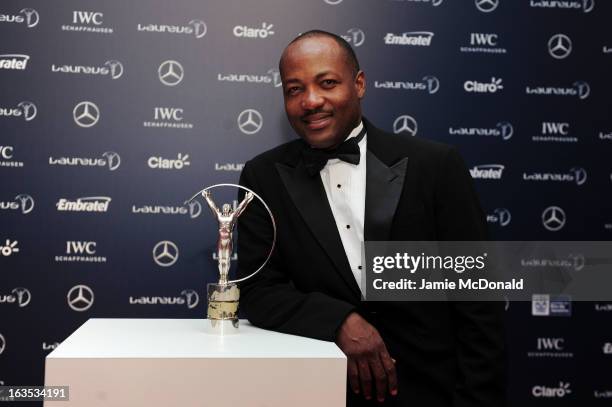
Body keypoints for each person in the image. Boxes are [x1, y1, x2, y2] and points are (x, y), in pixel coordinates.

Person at [236, 30, 505, 406]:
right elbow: (258, 290)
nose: (311, 101)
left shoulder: (435, 165)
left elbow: (478, 300)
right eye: (294, 89)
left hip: (428, 390)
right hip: (319, 392)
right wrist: (340, 320)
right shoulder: (263, 175)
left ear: (359, 84)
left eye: (327, 83)